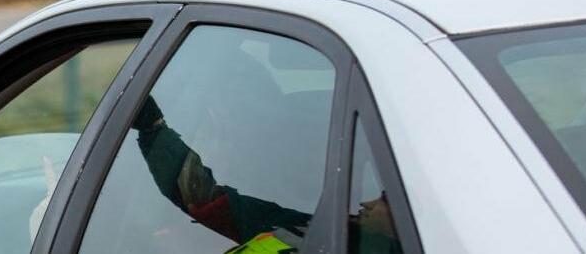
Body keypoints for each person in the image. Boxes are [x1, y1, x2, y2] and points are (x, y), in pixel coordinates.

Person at [131, 96, 401, 253]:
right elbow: (204, 201)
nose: (367, 203)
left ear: (405, 219)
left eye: (384, 202)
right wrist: (154, 129)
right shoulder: (316, 225)